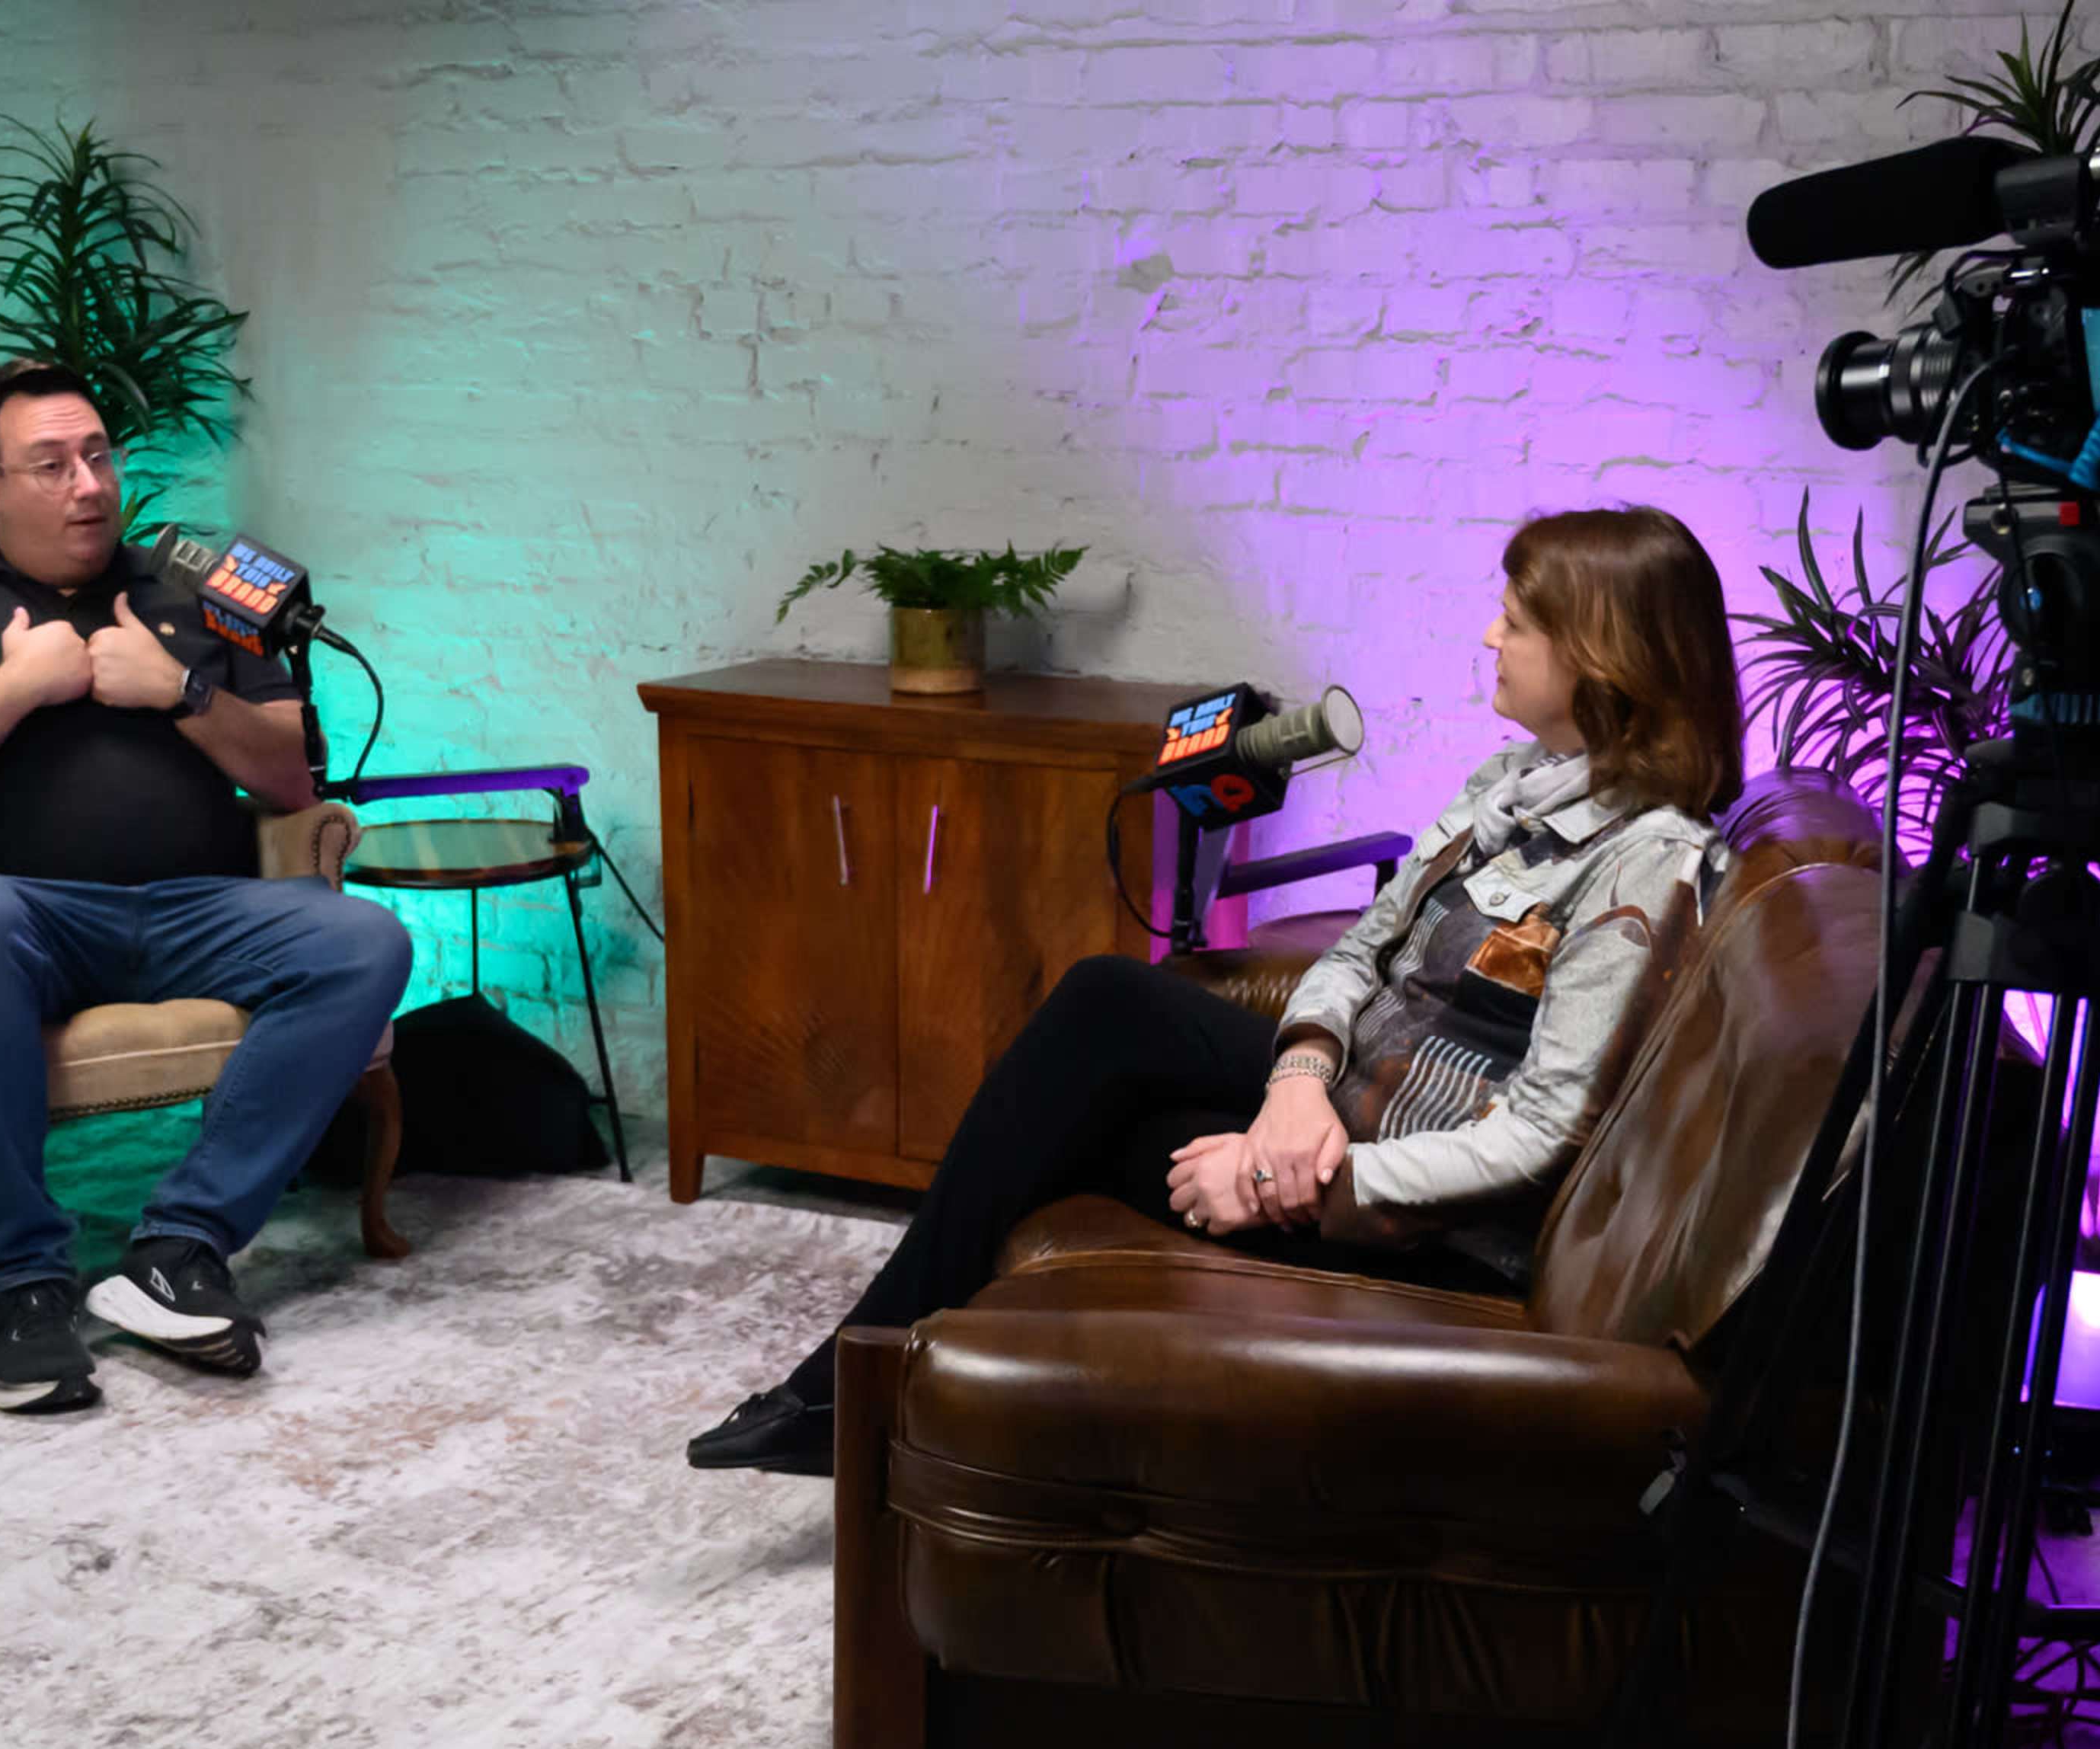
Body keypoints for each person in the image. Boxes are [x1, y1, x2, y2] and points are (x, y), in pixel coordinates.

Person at [687, 505, 1746, 1475]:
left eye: (1515, 622)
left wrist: (1296, 1181)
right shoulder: (1505, 788)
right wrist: (1295, 1084)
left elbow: (1541, 1139)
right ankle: (868, 1389)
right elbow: (1356, 953)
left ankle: (857, 1392)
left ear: (1601, 655)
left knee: (1083, 1118)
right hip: (1353, 1096)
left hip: (1425, 1208)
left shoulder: (1646, 866)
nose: (1488, 640)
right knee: (1106, 1005)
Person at [0, 359, 413, 1415]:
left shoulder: (196, 585)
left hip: (198, 909)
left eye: (99, 456)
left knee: (361, 938)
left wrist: (177, 690)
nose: (88, 485)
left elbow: (289, 776)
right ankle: (27, 1287)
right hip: (21, 918)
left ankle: (178, 1254)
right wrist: (16, 686)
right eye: (50, 465)